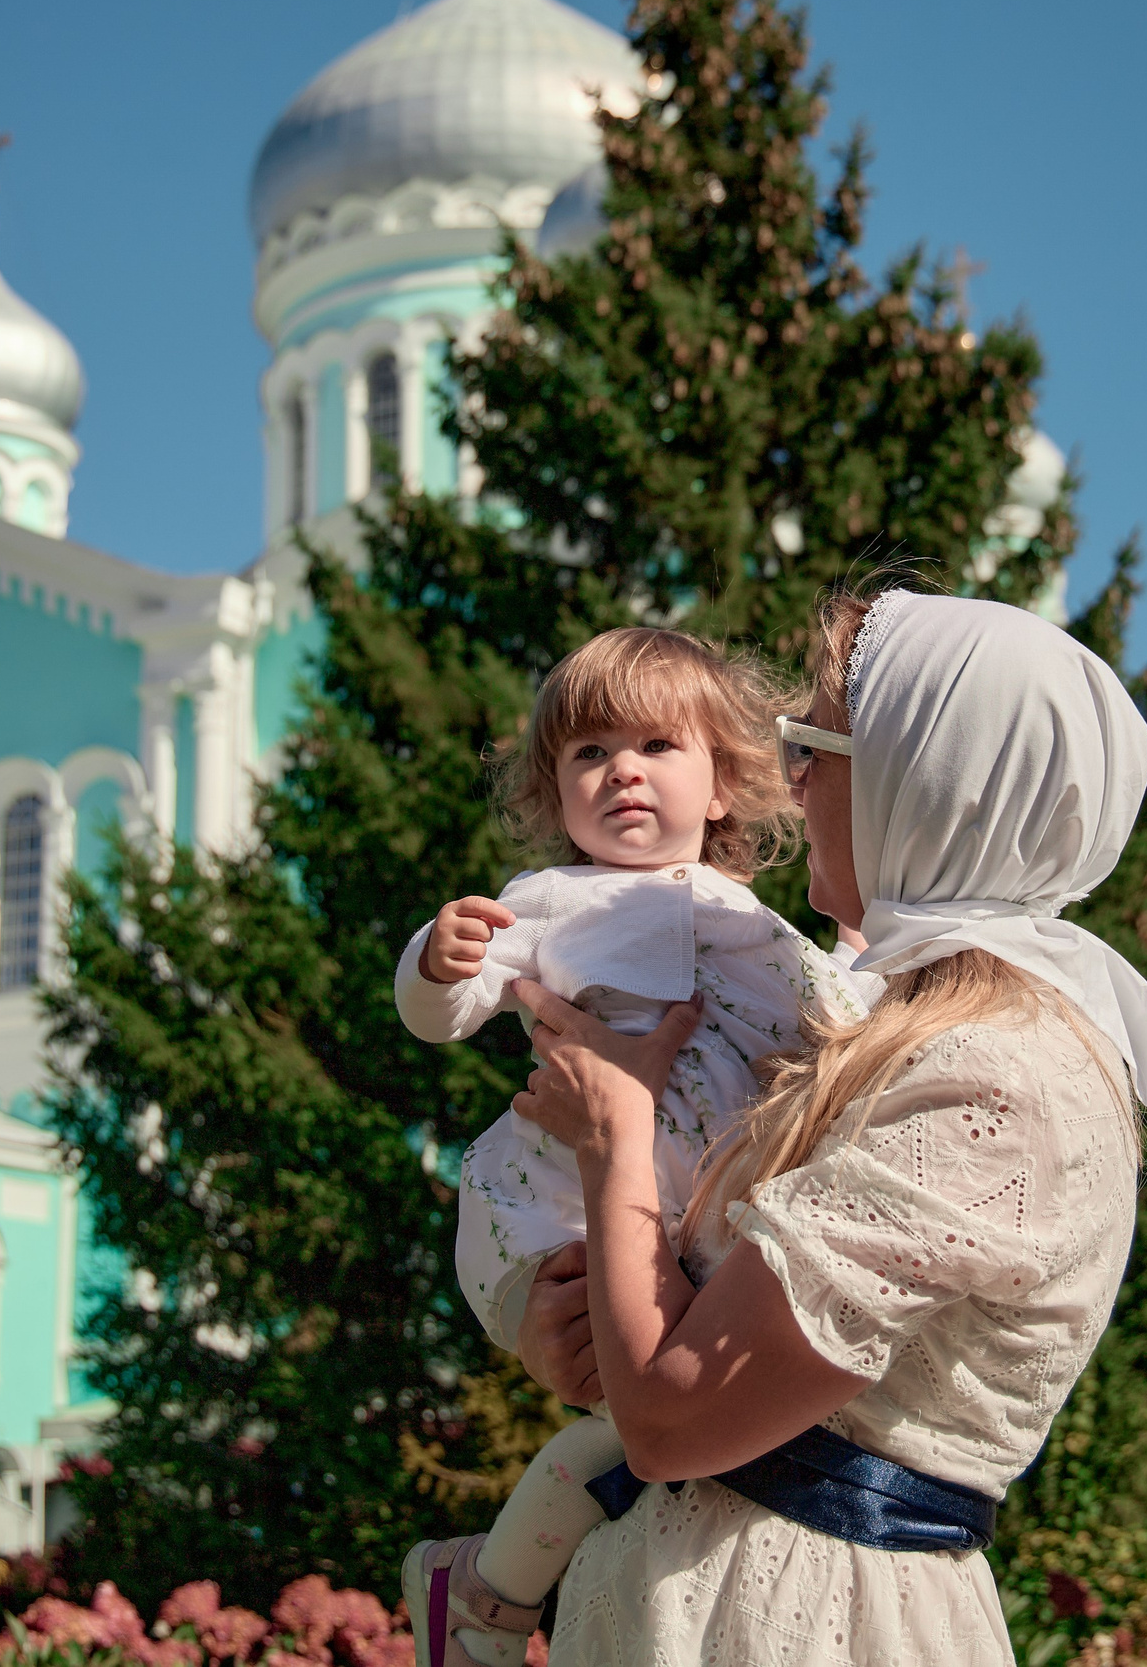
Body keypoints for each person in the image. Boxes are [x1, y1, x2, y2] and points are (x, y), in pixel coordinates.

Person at [508, 589, 1147, 1666]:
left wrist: (613, 1128)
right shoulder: (901, 1030)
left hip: (808, 1623)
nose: (792, 778)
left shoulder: (993, 1077)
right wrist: (571, 1326)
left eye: (817, 743)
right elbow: (671, 1354)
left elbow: (674, 1421)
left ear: (931, 780)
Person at [394, 626, 877, 1667]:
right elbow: (444, 1014)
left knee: (646, 1435)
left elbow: (829, 1025)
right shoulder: (544, 904)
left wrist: (867, 978)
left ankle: (479, 1588)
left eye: (656, 744)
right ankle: (484, 1602)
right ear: (553, 790)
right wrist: (434, 962)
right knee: (631, 1413)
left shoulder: (753, 921)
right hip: (560, 1206)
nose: (620, 768)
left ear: (720, 786)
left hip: (686, 1211)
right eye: (587, 752)